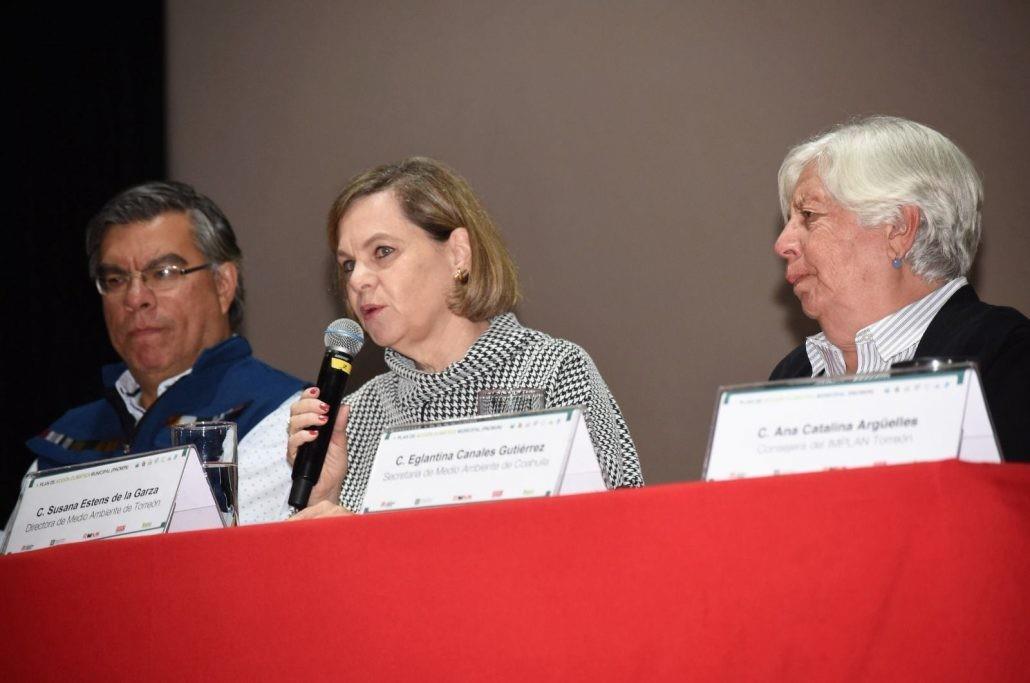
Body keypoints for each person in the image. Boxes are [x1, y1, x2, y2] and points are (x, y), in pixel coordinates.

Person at [285, 157, 643, 518]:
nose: (358, 280)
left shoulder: (553, 374)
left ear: (458, 253)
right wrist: (321, 498)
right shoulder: (356, 416)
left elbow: (623, 535)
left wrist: (368, 542)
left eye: (383, 252)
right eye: (348, 264)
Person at [24, 182, 306, 524]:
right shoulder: (66, 437)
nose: (135, 297)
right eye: (115, 279)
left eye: (163, 273)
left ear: (223, 285)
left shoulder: (285, 416)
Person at [770, 116, 1030, 462]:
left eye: (809, 215)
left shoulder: (1008, 359)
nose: (783, 243)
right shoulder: (793, 374)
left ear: (897, 230)